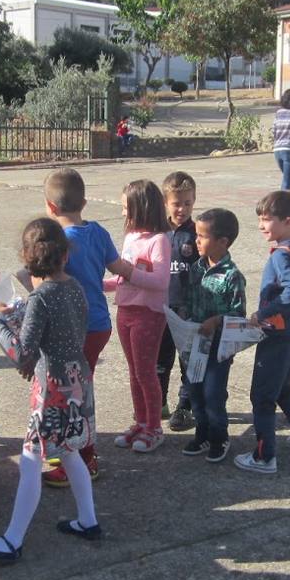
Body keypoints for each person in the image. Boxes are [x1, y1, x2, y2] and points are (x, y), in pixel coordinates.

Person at [0, 219, 100, 561]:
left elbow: (22, 353)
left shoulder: (41, 298)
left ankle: (12, 540)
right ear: (65, 255)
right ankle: (88, 520)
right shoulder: (74, 286)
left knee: (31, 458)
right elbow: (68, 331)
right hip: (78, 381)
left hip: (52, 390)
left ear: (28, 259)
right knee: (69, 451)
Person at [41, 168, 132, 486]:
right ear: (84, 202)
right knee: (77, 390)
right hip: (98, 325)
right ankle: (71, 452)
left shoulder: (57, 242)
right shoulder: (98, 232)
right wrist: (147, 275)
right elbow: (119, 267)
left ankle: (84, 459)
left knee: (72, 396)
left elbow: (43, 283)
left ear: (50, 206)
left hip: (73, 331)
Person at [235, 190, 290, 474]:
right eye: (260, 219)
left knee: (262, 396)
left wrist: (263, 314)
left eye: (266, 219)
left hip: (278, 336)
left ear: (288, 221)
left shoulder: (282, 256)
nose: (261, 225)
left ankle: (264, 457)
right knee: (282, 387)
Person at [108, 179, 171, 454]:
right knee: (134, 372)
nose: (123, 213)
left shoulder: (160, 241)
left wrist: (126, 271)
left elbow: (161, 281)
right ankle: (141, 422)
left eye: (126, 207)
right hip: (125, 311)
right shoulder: (131, 238)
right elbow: (123, 278)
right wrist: (97, 283)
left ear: (141, 208)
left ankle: (154, 428)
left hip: (148, 314)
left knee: (146, 372)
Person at [180, 208, 246, 463]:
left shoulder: (232, 276)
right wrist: (182, 319)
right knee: (195, 391)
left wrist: (217, 320)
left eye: (202, 236)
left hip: (219, 347)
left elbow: (239, 314)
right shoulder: (196, 268)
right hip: (195, 343)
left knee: (213, 394)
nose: (196, 241)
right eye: (196, 235)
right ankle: (202, 434)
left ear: (222, 242)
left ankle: (219, 437)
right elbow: (189, 299)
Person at [159, 171, 199, 432]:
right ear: (166, 203)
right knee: (160, 359)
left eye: (187, 203)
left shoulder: (197, 233)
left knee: (188, 360)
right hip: (161, 307)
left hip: (187, 308)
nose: (182, 209)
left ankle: (185, 405)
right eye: (176, 203)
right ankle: (159, 401)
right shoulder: (158, 232)